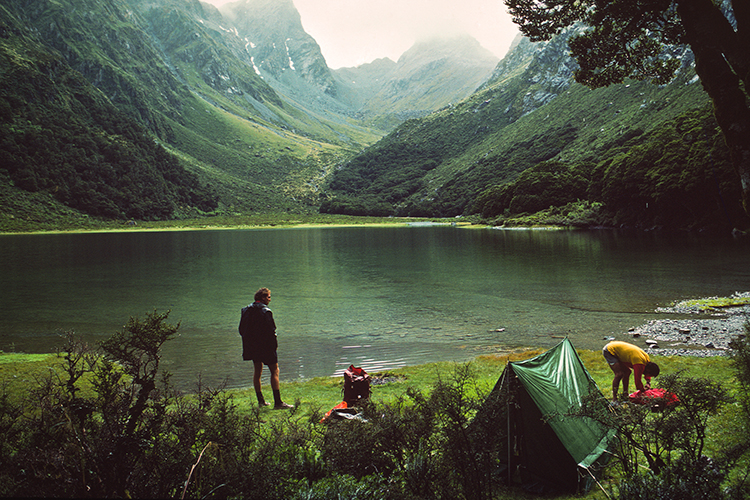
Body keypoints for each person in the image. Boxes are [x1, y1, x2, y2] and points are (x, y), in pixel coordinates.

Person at [238, 287, 293, 409]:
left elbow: (241, 330)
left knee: (257, 371)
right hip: (266, 346)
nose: (270, 300)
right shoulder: (266, 311)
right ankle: (278, 402)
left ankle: (261, 401)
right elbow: (271, 331)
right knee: (275, 371)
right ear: (262, 298)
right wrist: (274, 346)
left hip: (252, 346)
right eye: (268, 297)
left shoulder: (245, 310)